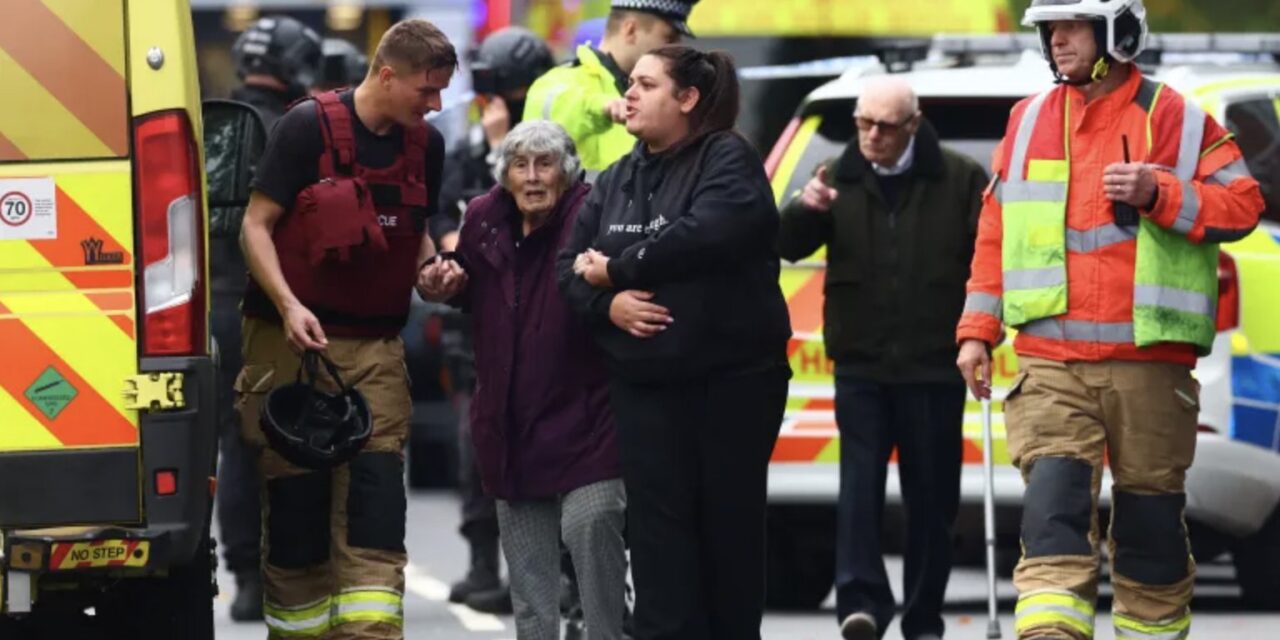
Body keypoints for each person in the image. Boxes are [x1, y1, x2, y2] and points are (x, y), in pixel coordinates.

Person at [955, 1, 1264, 638]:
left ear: (1117, 33)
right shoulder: (1028, 119)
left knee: (1151, 529)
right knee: (1052, 512)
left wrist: (1160, 194)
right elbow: (996, 231)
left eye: (1072, 26)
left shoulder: (1175, 117)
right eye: (1050, 28)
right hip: (1051, 363)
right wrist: (976, 331)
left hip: (1149, 366)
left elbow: (1244, 204)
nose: (1057, 39)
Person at [558, 46, 791, 639]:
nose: (629, 94)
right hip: (645, 386)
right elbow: (568, 267)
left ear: (687, 99)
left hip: (731, 382)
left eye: (646, 84)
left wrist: (619, 269)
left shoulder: (726, 157)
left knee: (726, 532)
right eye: (630, 83)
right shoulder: (617, 177)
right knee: (658, 538)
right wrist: (607, 303)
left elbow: (709, 232)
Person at [235, 18, 458, 639]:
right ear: (386, 75)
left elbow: (414, 232)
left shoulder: (426, 146)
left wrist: (432, 276)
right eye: (426, 90)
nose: (435, 104)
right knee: (298, 513)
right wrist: (288, 306)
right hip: (291, 347)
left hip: (376, 349)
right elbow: (255, 226)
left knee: (375, 508)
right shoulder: (305, 127)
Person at [777, 77, 988, 640]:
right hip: (861, 364)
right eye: (863, 123)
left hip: (933, 365)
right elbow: (785, 244)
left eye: (885, 126)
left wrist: (980, 333)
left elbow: (990, 262)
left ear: (913, 125)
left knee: (932, 499)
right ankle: (861, 604)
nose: (871, 135)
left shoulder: (961, 177)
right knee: (859, 489)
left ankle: (923, 616)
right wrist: (805, 208)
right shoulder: (836, 176)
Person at [427, 119, 628, 640]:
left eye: (545, 165)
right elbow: (467, 280)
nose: (533, 177)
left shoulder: (592, 211)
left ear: (568, 172)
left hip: (589, 416)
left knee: (592, 524)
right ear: (505, 174)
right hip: (511, 420)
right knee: (530, 584)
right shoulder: (484, 217)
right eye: (521, 165)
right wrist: (445, 279)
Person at [435, 26, 556, 615]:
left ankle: (541, 573)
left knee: (544, 448)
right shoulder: (464, 154)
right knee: (477, 446)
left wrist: (507, 151)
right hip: (478, 330)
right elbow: (449, 225)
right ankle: (482, 561)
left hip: (540, 326)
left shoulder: (553, 156)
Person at [216, 14, 322, 623]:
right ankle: (289, 573)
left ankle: (244, 579)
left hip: (208, 306)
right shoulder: (293, 129)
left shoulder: (213, 125)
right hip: (273, 307)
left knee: (232, 444)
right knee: (279, 440)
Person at [523, 0, 695, 177]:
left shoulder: (661, 93)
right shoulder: (560, 81)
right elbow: (556, 108)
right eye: (669, 38)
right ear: (630, 30)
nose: (676, 48)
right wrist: (603, 108)